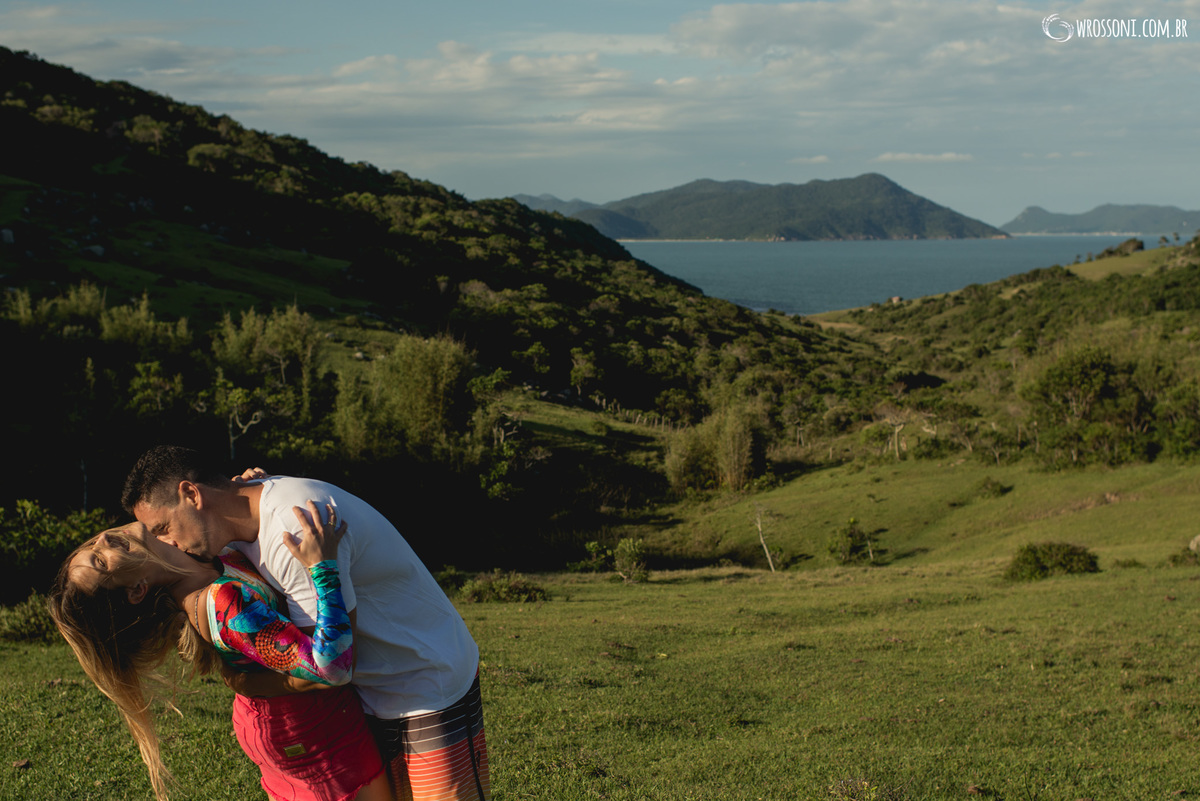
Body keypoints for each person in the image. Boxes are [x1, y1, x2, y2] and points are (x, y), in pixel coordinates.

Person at [122, 445, 492, 801]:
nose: (167, 543)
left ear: (191, 494)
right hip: (376, 693)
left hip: (424, 684)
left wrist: (246, 680)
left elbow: (333, 665)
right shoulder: (246, 514)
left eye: (162, 527)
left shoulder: (293, 530)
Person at [49, 502, 390, 801]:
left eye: (94, 545)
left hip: (295, 714)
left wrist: (239, 497)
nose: (104, 539)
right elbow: (334, 668)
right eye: (101, 561)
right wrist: (324, 567)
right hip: (304, 729)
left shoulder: (190, 552)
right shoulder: (223, 604)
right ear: (137, 590)